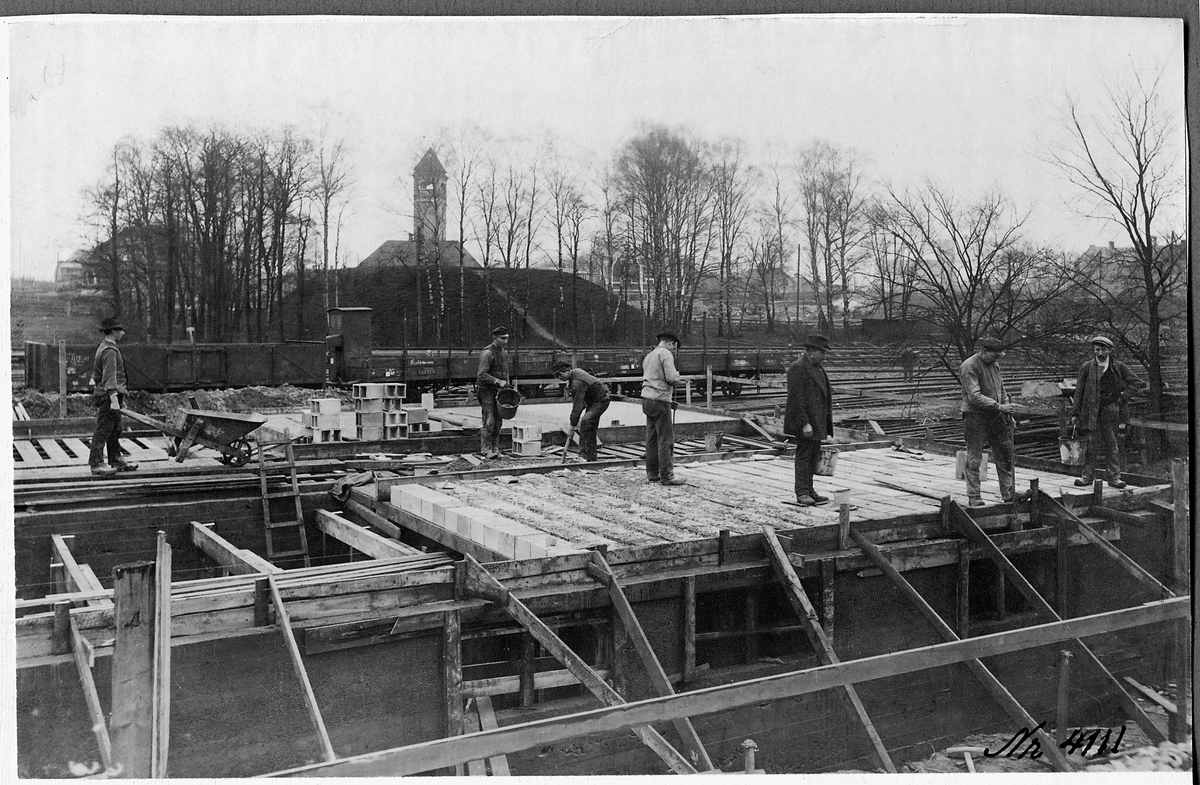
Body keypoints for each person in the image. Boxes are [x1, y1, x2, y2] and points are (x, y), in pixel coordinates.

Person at [1070, 335, 1145, 489]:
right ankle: (1086, 477)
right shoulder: (1087, 367)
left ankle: (1114, 478)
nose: (1100, 353)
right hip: (1091, 413)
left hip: (1111, 413)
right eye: (1097, 349)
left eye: (1103, 349)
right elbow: (1078, 391)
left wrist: (1123, 397)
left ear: (1110, 350)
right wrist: (1075, 413)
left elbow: (1136, 382)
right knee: (1090, 446)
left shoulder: (1118, 367)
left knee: (1112, 445)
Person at [959, 336, 1026, 507]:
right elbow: (974, 397)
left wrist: (1007, 412)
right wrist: (1000, 407)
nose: (997, 359)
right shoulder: (969, 366)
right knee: (974, 458)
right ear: (984, 351)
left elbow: (1001, 390)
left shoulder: (994, 365)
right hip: (975, 417)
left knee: (1005, 454)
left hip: (995, 416)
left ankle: (1009, 494)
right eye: (994, 355)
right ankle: (974, 496)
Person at [785, 334, 834, 506]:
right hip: (806, 422)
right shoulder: (798, 368)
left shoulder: (818, 368)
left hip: (817, 422)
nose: (824, 356)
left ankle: (810, 490)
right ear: (811, 351)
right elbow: (796, 399)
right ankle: (802, 492)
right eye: (822, 352)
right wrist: (804, 423)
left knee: (813, 456)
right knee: (804, 456)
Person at [88, 317, 138, 476]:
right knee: (103, 429)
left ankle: (115, 460)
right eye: (120, 330)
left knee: (115, 429)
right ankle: (96, 464)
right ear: (113, 331)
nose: (123, 333)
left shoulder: (106, 347)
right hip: (109, 397)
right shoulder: (109, 351)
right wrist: (114, 400)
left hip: (112, 396)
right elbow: (109, 377)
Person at [641, 331, 685, 486]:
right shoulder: (665, 354)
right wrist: (678, 376)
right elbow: (671, 378)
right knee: (666, 439)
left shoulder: (650, 355)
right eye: (674, 347)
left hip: (647, 399)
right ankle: (667, 476)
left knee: (651, 439)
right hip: (660, 400)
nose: (674, 350)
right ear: (671, 343)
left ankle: (652, 474)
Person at [551, 361, 611, 462]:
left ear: (567, 371)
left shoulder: (577, 382)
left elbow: (577, 405)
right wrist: (574, 422)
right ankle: (591, 458)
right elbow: (581, 402)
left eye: (559, 374)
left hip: (601, 400)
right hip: (592, 401)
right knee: (590, 427)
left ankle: (584, 455)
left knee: (586, 422)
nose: (559, 378)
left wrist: (573, 423)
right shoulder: (575, 374)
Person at [475, 326, 511, 459]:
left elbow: (505, 372)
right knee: (489, 420)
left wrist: (507, 385)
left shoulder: (503, 353)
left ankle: (495, 449)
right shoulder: (487, 353)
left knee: (498, 421)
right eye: (503, 338)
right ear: (495, 338)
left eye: (507, 338)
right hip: (486, 391)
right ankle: (486, 449)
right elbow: (481, 375)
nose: (505, 341)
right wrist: (497, 381)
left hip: (498, 391)